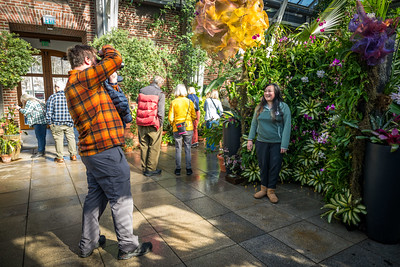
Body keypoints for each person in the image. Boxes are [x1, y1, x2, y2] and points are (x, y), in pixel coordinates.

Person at [64, 44, 152, 260]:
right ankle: (128, 246)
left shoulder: (78, 83)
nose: (97, 62)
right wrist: (105, 49)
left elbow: (113, 103)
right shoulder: (84, 78)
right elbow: (115, 58)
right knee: (121, 198)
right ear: (87, 60)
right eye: (94, 59)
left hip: (92, 151)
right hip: (105, 150)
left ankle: (88, 243)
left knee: (95, 197)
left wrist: (113, 84)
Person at [247, 83, 291, 204]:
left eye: (270, 91)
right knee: (263, 165)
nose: (267, 93)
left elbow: (287, 126)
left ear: (276, 92)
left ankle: (271, 191)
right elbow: (254, 124)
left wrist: (284, 144)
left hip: (277, 143)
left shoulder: (283, 107)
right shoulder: (260, 107)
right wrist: (250, 139)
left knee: (274, 166)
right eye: (265, 91)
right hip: (261, 142)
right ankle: (263, 188)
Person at [136, 76, 165, 177]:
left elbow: (137, 102)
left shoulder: (142, 90)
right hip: (153, 122)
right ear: (160, 84)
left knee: (144, 145)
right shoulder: (160, 93)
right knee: (154, 145)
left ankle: (144, 168)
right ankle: (151, 169)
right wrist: (161, 123)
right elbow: (161, 111)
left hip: (141, 122)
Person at [168, 84, 197, 176]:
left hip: (177, 127)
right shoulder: (189, 102)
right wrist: (188, 122)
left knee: (178, 148)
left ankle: (178, 169)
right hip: (188, 127)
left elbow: (170, 117)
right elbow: (194, 116)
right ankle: (188, 169)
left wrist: (174, 124)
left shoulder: (174, 102)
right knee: (188, 148)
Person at [45, 84, 77, 163]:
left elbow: (48, 112)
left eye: (55, 87)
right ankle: (73, 155)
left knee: (58, 140)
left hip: (57, 123)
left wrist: (49, 123)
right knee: (71, 139)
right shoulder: (70, 97)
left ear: (57, 87)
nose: (54, 89)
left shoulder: (53, 97)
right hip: (69, 123)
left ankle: (60, 157)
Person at [16, 94, 47, 158]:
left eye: (22, 101)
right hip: (43, 121)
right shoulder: (37, 101)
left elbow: (26, 111)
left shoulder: (30, 102)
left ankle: (40, 152)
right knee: (42, 137)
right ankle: (42, 151)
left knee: (40, 137)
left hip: (38, 121)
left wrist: (19, 108)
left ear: (24, 100)